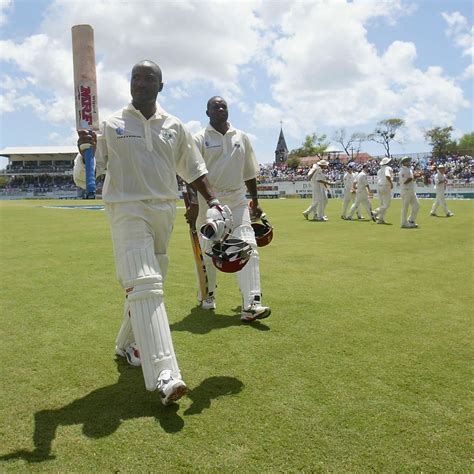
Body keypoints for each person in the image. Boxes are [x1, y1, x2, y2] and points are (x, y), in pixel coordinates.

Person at [73, 60, 222, 406]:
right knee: (145, 282)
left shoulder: (174, 126)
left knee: (152, 281)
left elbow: (194, 169)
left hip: (163, 210)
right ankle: (165, 375)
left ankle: (126, 344)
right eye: (135, 78)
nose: (140, 83)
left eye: (148, 78)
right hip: (126, 208)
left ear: (160, 86)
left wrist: (214, 201)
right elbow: (84, 178)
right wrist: (84, 153)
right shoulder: (111, 125)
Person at [188, 96, 271, 322]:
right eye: (215, 107)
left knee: (249, 246)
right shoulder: (199, 139)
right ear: (207, 113)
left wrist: (255, 201)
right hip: (209, 203)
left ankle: (252, 304)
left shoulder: (241, 137)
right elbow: (191, 174)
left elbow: (249, 172)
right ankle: (207, 295)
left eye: (223, 106)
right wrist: (194, 203)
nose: (220, 109)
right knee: (209, 252)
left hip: (237, 200)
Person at [399, 155, 421, 228]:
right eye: (407, 161)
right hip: (406, 190)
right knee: (405, 207)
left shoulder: (409, 169)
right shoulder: (402, 171)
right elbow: (405, 182)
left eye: (409, 160)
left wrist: (415, 177)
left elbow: (412, 179)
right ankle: (403, 223)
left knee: (417, 205)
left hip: (411, 190)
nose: (409, 162)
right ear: (404, 162)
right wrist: (413, 177)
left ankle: (411, 220)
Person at [373, 157, 394, 224]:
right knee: (386, 205)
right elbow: (387, 175)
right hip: (386, 186)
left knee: (382, 204)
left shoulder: (379, 170)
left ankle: (381, 219)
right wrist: (391, 183)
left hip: (379, 186)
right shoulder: (388, 168)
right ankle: (375, 212)